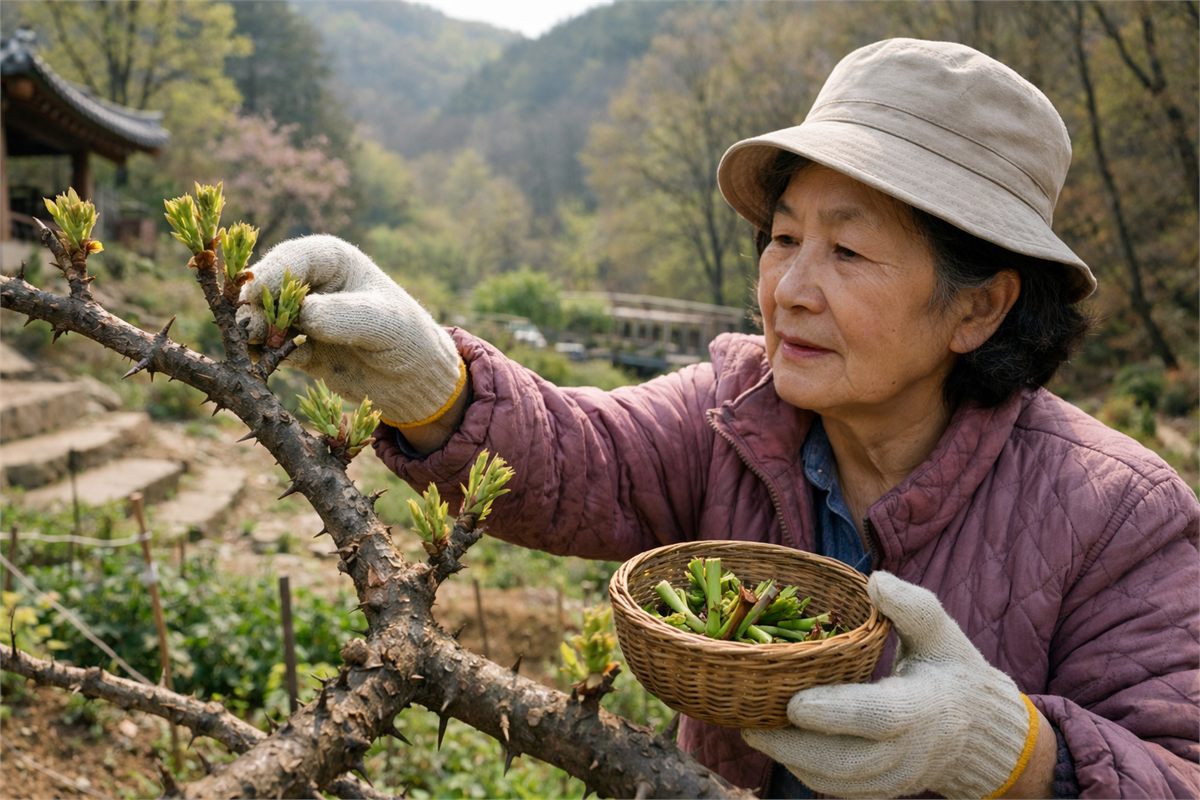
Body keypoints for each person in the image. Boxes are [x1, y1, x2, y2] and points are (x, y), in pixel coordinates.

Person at [238, 38, 1199, 799]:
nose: (791, 290)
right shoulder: (738, 411)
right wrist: (427, 377)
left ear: (978, 307)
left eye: (849, 252)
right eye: (784, 239)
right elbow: (584, 457)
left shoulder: (1119, 514)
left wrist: (1010, 751)